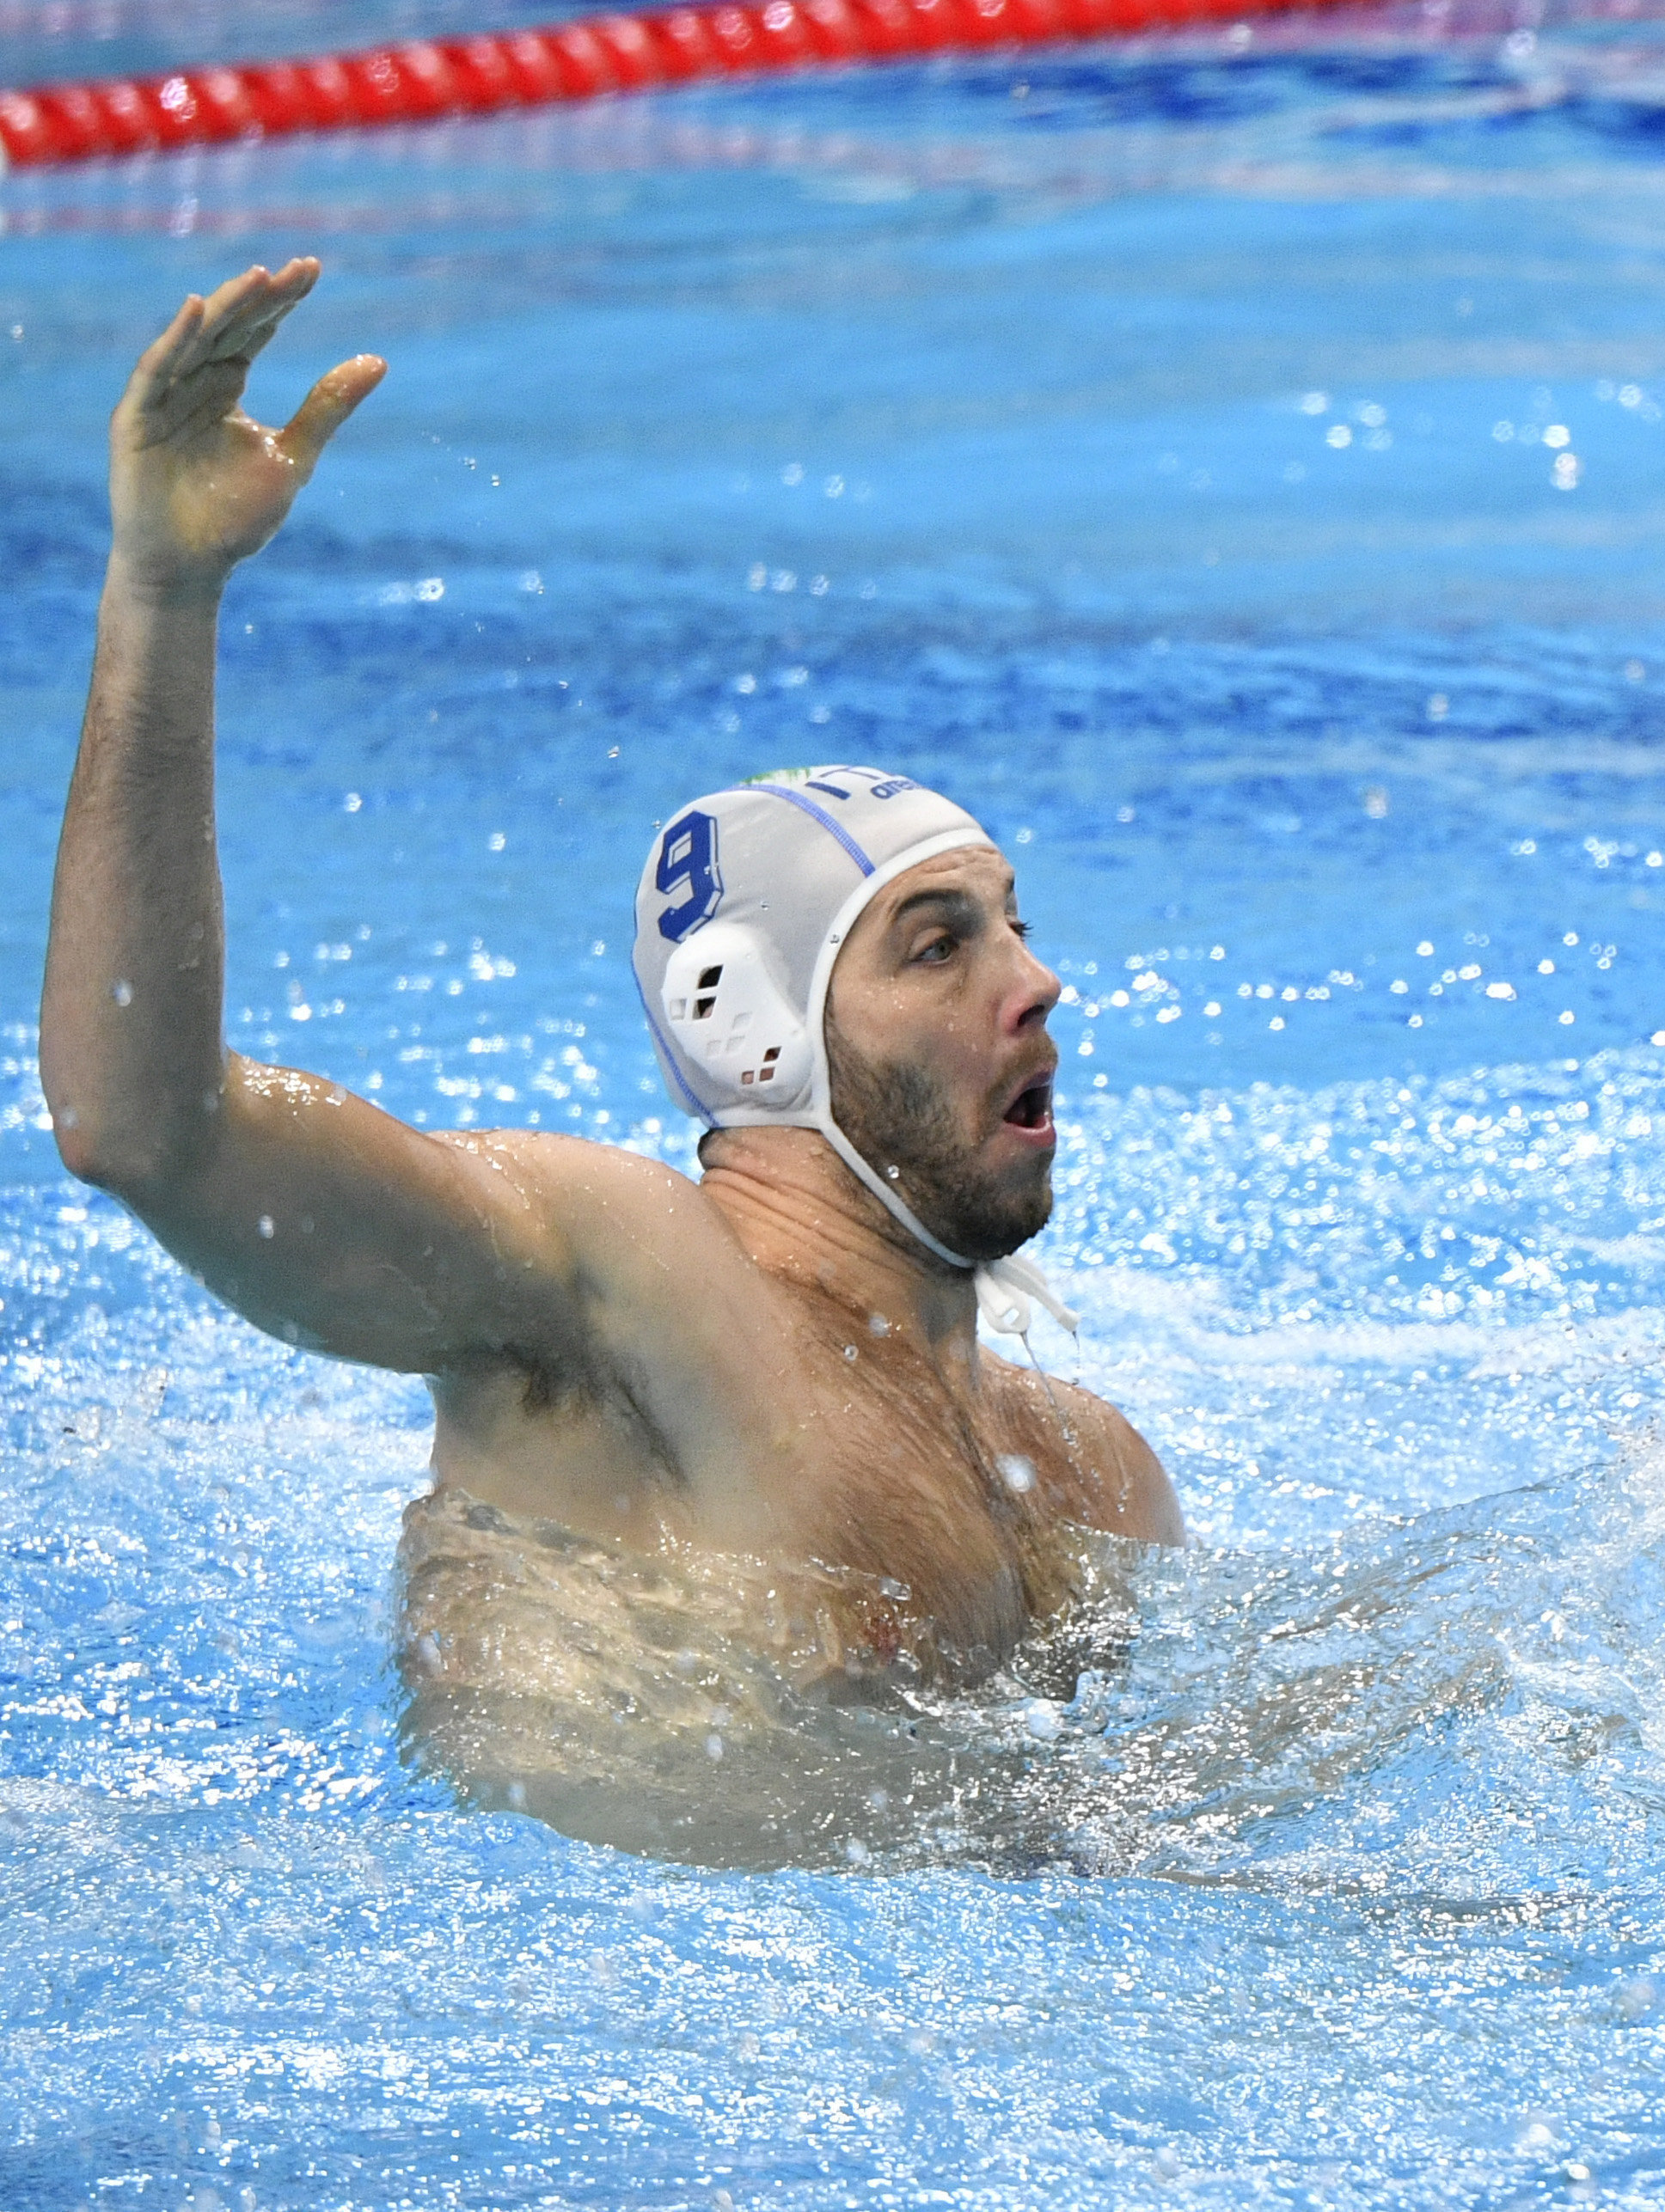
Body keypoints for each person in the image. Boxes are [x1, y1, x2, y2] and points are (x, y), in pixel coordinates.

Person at [43, 260, 1180, 1845]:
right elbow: (138, 1123)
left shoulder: (1087, 1477)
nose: (1040, 980)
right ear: (752, 1028)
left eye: (1015, 921)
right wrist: (164, 595)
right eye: (941, 941)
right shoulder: (616, 1286)